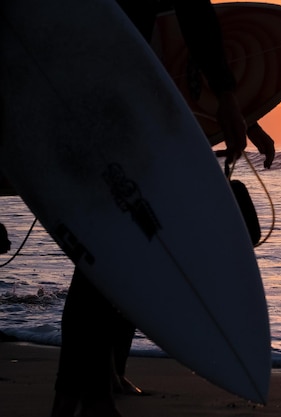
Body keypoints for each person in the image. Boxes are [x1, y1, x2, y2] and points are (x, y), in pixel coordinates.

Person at [51, 2, 252, 416]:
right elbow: (193, 16)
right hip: (104, 96)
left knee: (104, 249)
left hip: (83, 86)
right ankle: (87, 398)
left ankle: (81, 395)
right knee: (110, 247)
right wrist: (228, 94)